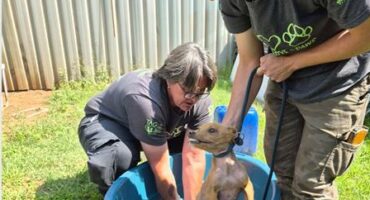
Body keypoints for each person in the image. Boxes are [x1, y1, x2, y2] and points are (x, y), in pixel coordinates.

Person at [218, 0, 370, 199]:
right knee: (282, 172)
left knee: (310, 186)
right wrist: (224, 138)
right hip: (285, 83)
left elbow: (366, 36)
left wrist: (293, 63)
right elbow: (249, 61)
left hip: (338, 84)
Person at [78, 42, 217, 199]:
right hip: (109, 123)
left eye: (199, 92)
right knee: (120, 156)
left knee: (180, 157)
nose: (192, 99)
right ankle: (112, 192)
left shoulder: (202, 103)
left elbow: (194, 157)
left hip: (157, 127)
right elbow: (161, 166)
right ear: (170, 78)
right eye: (187, 90)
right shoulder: (146, 101)